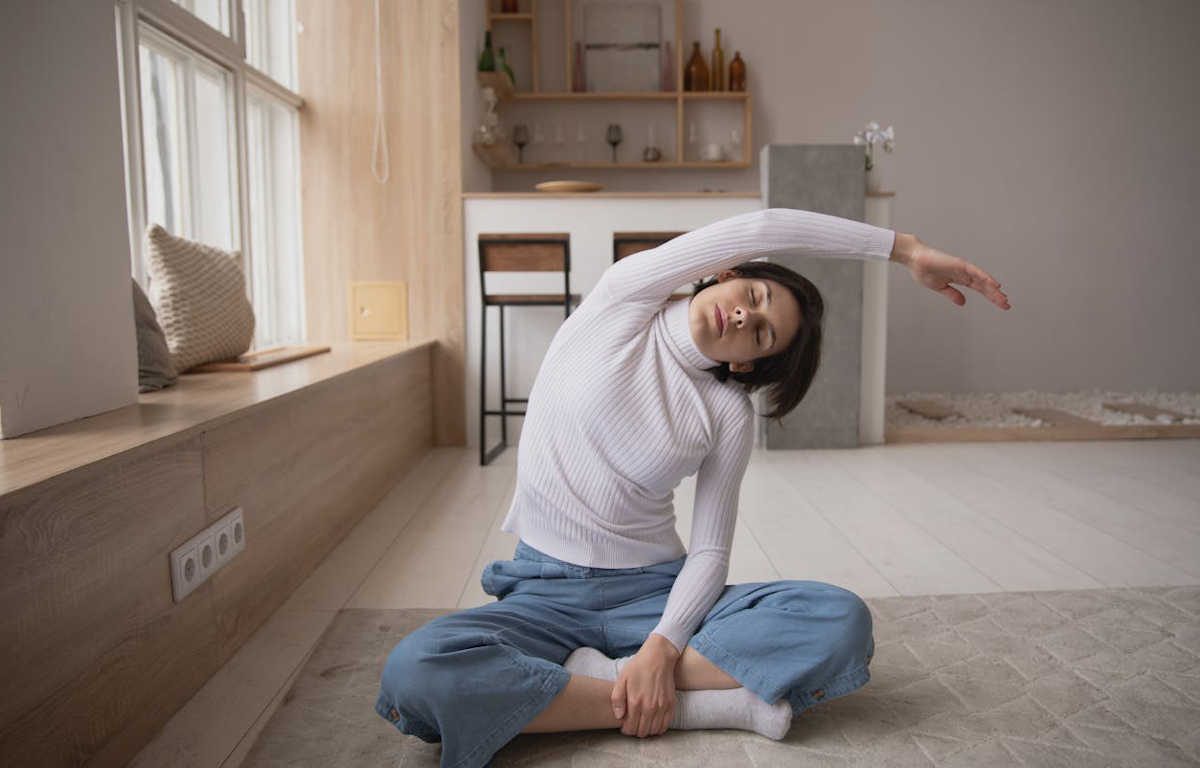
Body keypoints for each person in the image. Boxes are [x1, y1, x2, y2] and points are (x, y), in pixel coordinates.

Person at [375, 208, 1011, 768]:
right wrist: (904, 248)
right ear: (724, 273)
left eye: (761, 333)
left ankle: (597, 687)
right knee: (416, 673)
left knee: (838, 620)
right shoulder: (622, 302)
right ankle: (691, 706)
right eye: (754, 294)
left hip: (652, 595)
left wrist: (663, 643)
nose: (745, 315)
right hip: (543, 594)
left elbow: (709, 552)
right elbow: (765, 225)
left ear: (746, 362)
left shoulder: (726, 413)